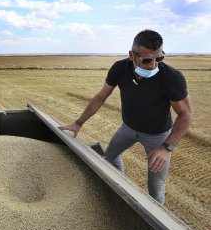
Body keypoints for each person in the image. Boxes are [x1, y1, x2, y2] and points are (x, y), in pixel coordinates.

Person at [59, 29, 192, 205]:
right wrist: (78, 123)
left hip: (158, 136)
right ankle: (121, 189)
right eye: (147, 60)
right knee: (109, 158)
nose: (153, 65)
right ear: (132, 55)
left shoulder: (171, 78)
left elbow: (186, 114)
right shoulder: (120, 68)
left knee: (156, 184)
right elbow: (100, 97)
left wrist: (167, 147)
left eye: (159, 58)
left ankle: (154, 226)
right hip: (128, 128)